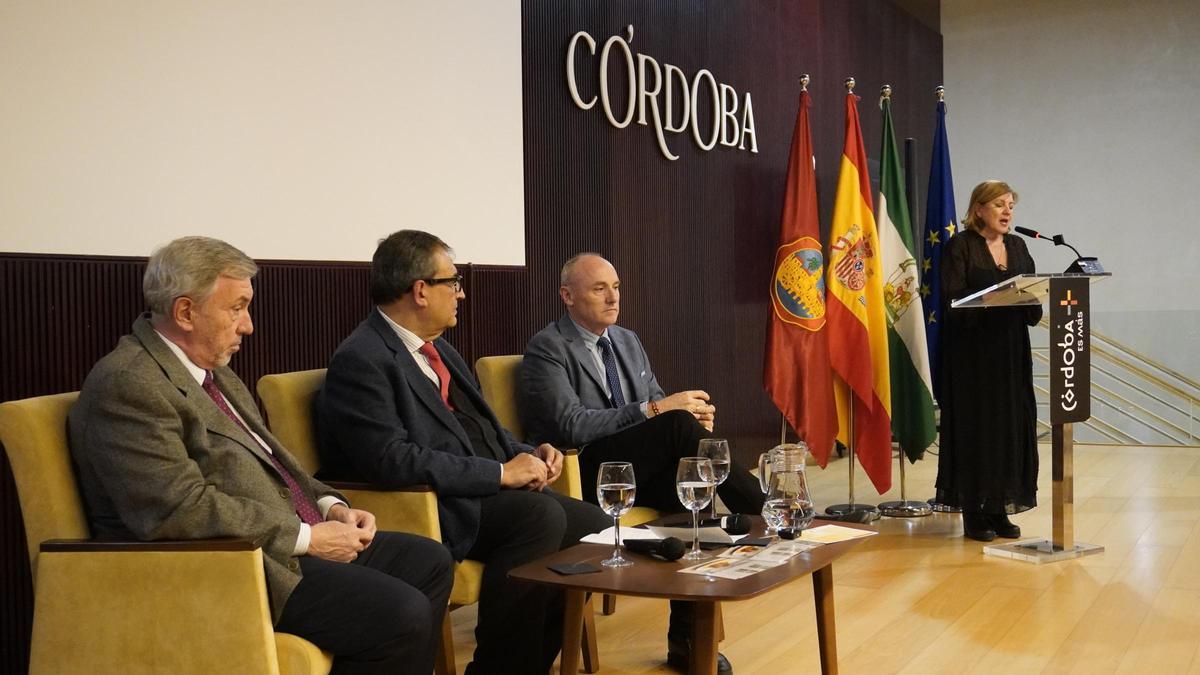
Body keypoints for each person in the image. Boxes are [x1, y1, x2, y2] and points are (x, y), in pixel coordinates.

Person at [68, 236, 453, 675]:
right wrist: (306, 538)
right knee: (400, 614)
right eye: (237, 308)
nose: (248, 326)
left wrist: (329, 505)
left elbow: (275, 462)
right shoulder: (130, 383)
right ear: (185, 312)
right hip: (226, 565)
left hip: (278, 541)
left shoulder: (212, 370)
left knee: (430, 562)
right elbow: (177, 510)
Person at [316, 230, 609, 675]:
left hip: (477, 488)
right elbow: (390, 459)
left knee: (596, 528)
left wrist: (530, 452)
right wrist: (500, 474)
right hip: (436, 503)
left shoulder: (439, 349)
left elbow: (481, 428)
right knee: (539, 517)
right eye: (452, 282)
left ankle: (529, 663)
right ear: (420, 291)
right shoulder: (363, 359)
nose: (462, 292)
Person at [519, 252, 763, 673]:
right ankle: (764, 511)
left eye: (616, 287)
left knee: (691, 476)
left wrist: (690, 418)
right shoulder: (548, 347)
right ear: (567, 295)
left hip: (639, 465)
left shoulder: (627, 340)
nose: (613, 298)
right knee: (678, 430)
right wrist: (661, 413)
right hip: (586, 469)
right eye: (599, 289)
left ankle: (687, 640)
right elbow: (572, 425)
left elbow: (660, 407)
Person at [935, 180, 1042, 542]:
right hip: (972, 357)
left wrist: (1031, 296)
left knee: (1009, 428)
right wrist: (994, 296)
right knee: (977, 429)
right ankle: (973, 511)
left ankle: (999, 508)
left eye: (1011, 205)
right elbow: (952, 301)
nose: (1007, 211)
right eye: (999, 204)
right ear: (979, 209)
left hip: (1012, 355)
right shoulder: (960, 246)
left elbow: (1033, 304)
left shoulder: (1018, 246)